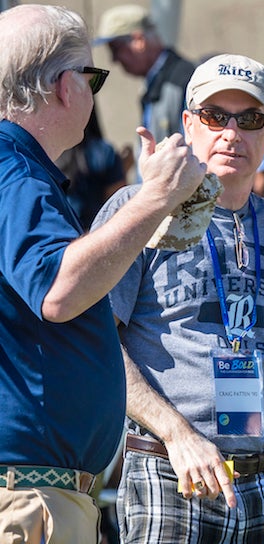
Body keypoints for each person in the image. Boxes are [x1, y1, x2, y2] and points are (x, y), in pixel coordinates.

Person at [92, 53, 264, 543]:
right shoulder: (137, 211)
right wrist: (177, 434)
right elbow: (99, 342)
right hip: (173, 469)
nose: (231, 133)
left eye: (250, 119)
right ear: (188, 124)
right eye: (215, 116)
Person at [0, 5, 204, 543]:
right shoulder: (15, 173)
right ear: (67, 86)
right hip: (30, 497)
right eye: (93, 76)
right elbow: (58, 291)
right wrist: (156, 196)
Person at [94, 5, 196, 144]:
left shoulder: (183, 82)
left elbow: (192, 150)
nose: (114, 59)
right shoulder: (157, 81)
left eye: (116, 49)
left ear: (139, 41)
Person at [56, 106, 126, 229]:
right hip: (96, 235)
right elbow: (117, 205)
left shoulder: (45, 154)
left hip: (58, 236)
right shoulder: (104, 151)